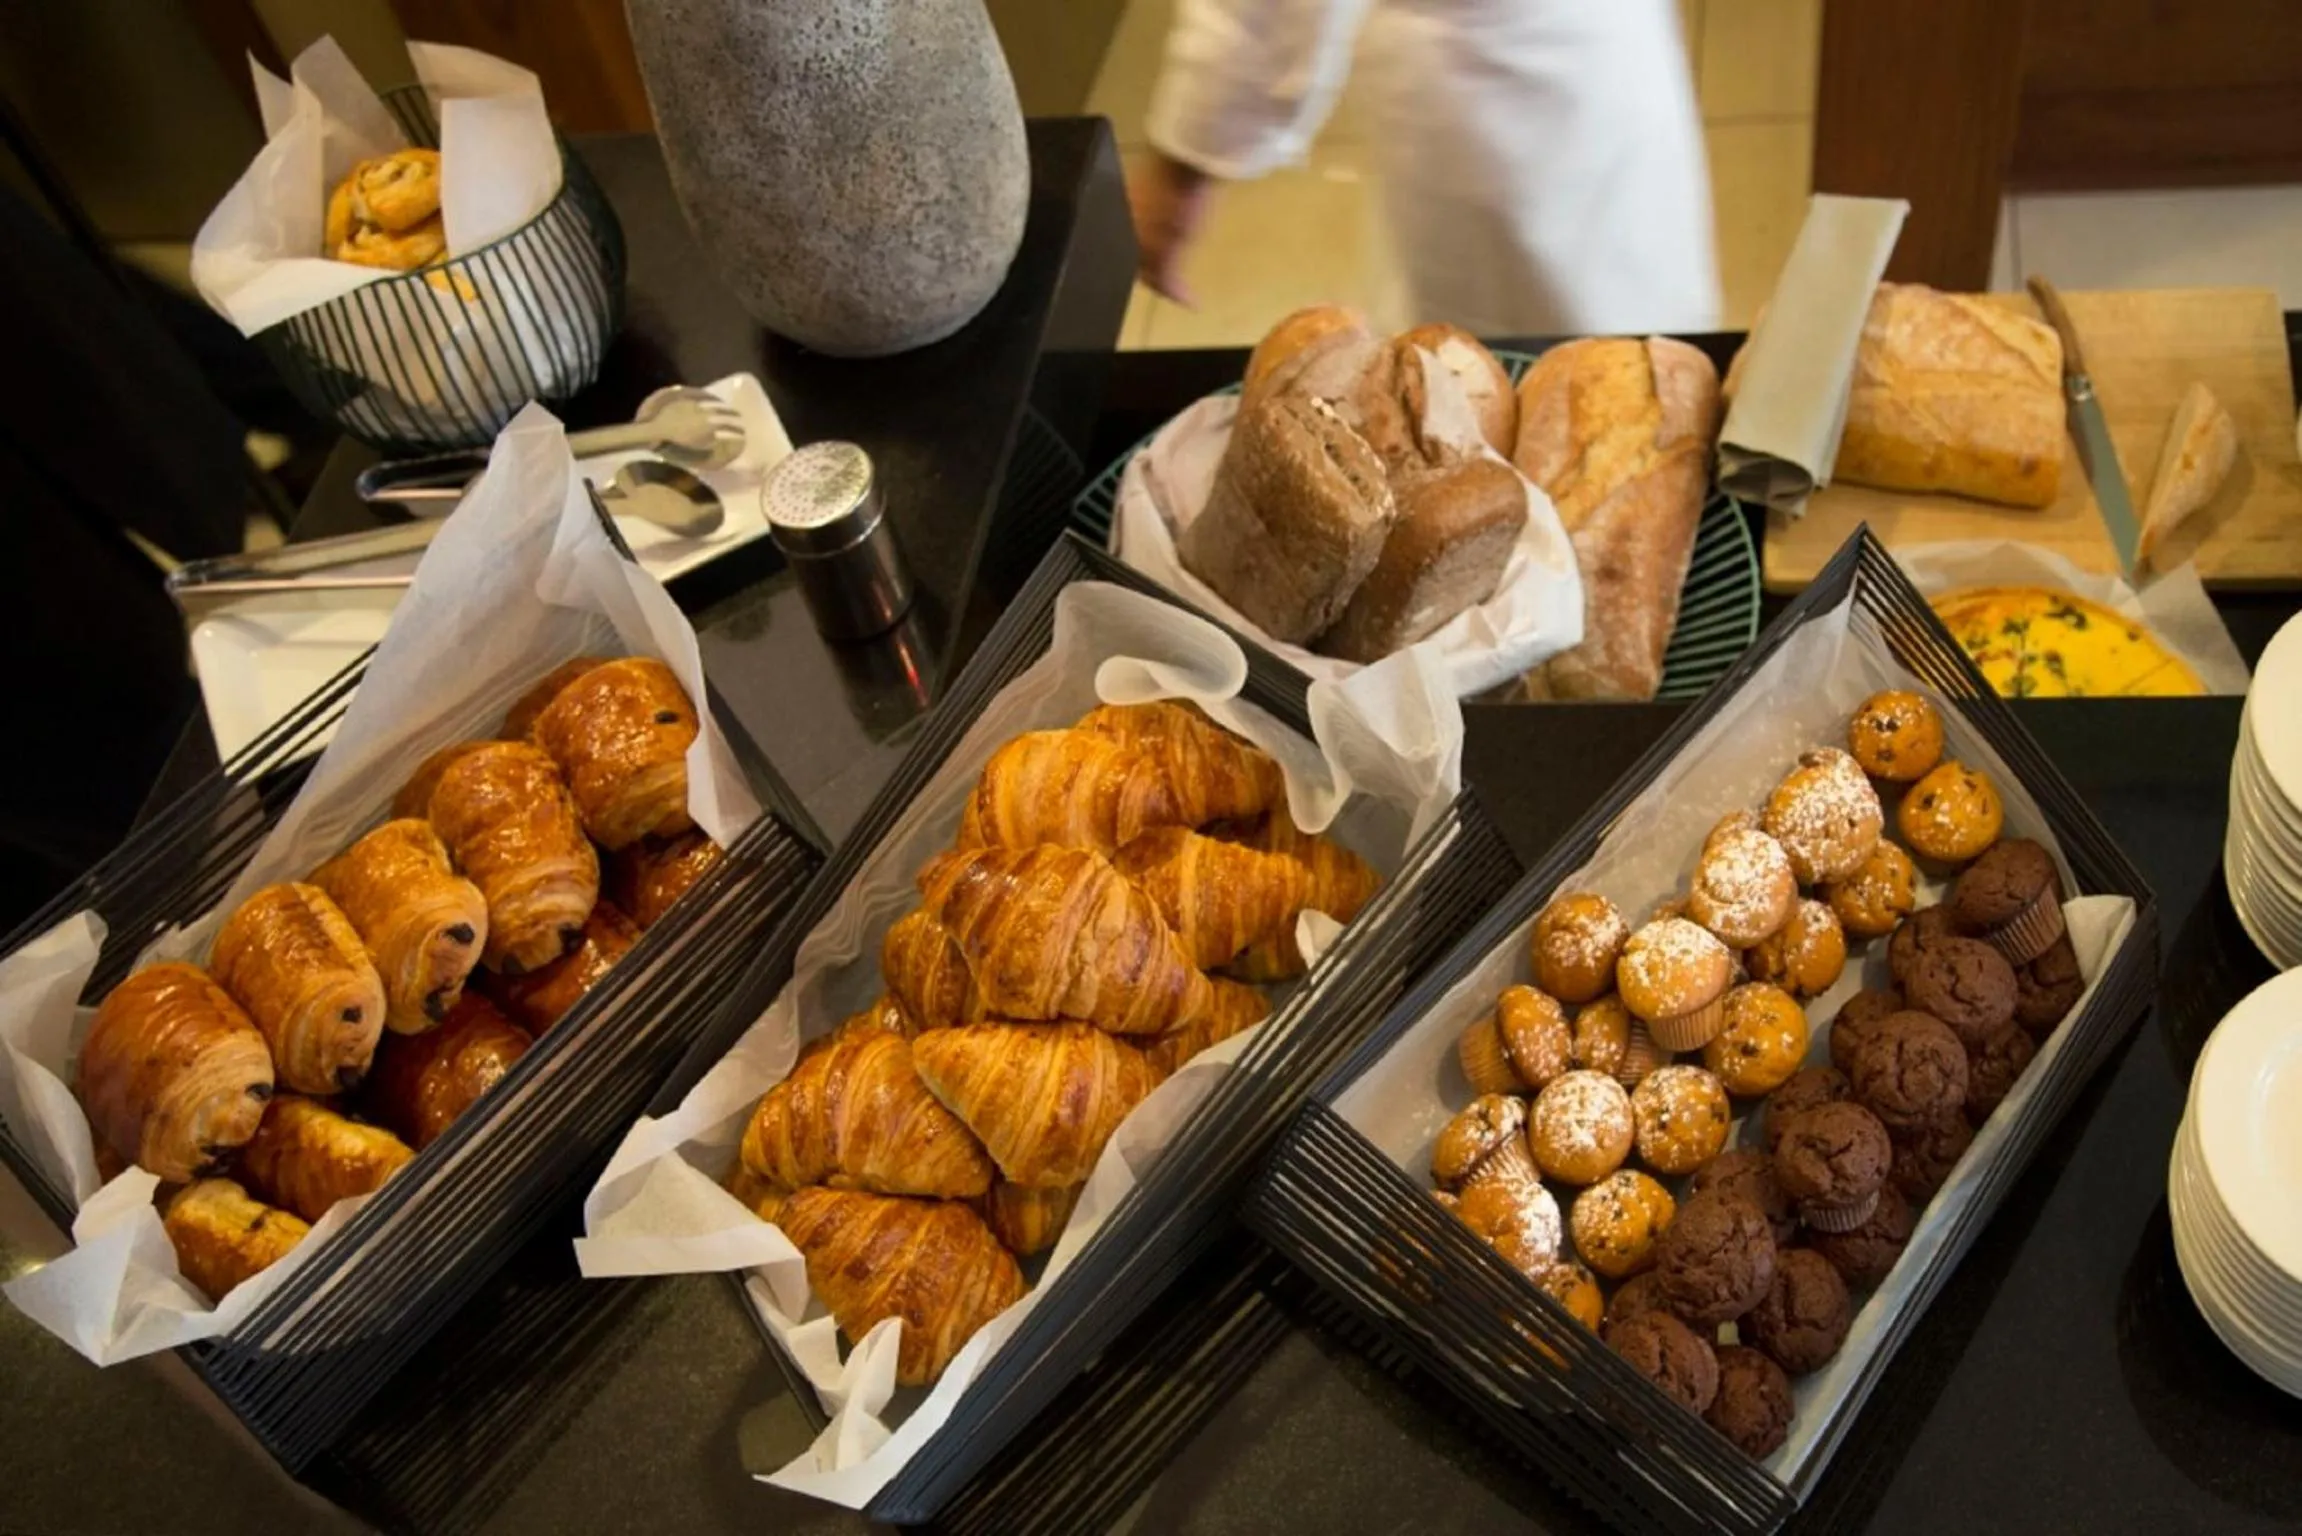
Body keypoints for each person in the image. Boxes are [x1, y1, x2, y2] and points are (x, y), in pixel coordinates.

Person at [1129, 0, 1720, 338]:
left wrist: (1182, 168)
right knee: (1628, 308)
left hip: (1490, 87)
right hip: (1599, 43)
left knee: (1526, 345)